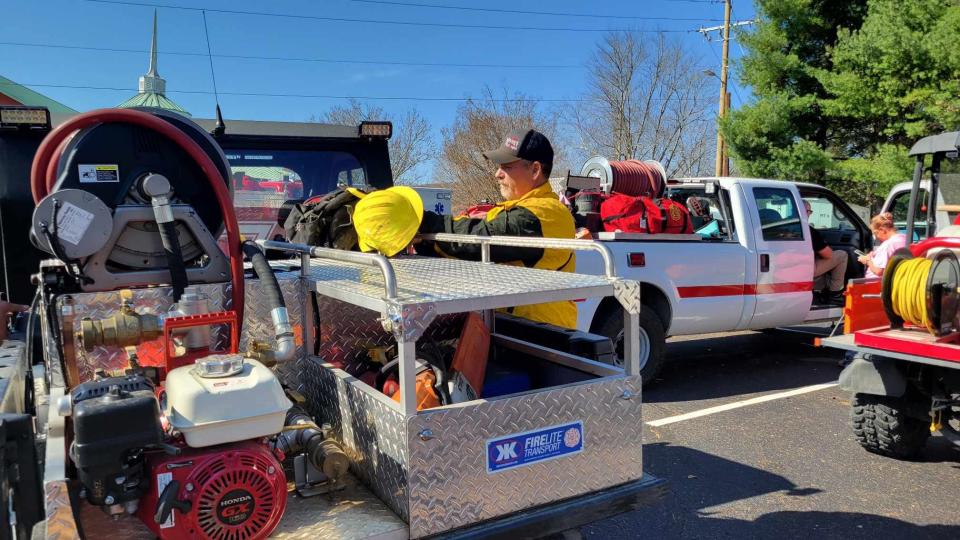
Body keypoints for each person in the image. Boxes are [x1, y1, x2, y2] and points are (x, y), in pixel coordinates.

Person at [417, 129, 577, 328]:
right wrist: (425, 242)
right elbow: (465, 253)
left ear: (535, 170)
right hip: (511, 329)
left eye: (506, 167)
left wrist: (421, 221)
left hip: (543, 338)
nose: (497, 174)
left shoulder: (547, 213)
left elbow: (480, 238)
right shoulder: (510, 210)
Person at [805, 200, 848, 305]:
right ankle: (835, 295)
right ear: (804, 212)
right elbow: (827, 254)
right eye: (809, 211)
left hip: (783, 268)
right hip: (805, 268)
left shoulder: (781, 228)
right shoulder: (807, 230)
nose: (810, 214)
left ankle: (818, 292)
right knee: (841, 255)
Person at [858, 212, 907, 279]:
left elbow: (878, 271)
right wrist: (874, 255)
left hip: (875, 284)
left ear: (882, 230)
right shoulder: (903, 238)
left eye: (875, 233)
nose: (876, 237)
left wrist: (867, 260)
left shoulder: (888, 245)